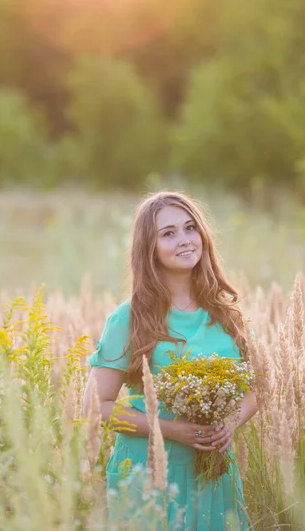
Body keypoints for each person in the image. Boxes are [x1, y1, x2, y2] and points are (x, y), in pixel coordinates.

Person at [83, 191, 258, 530]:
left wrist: (230, 423)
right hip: (149, 472)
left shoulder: (226, 314)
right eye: (168, 233)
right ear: (149, 248)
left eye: (190, 228)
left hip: (214, 472)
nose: (184, 240)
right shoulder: (129, 318)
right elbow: (95, 406)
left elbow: (253, 392)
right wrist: (174, 431)